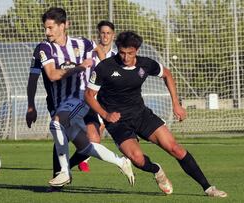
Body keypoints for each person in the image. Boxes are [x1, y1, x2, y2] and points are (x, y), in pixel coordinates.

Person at [84, 30, 227, 197]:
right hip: (117, 122)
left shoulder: (145, 64)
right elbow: (88, 95)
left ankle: (208, 188)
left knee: (175, 149)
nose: (125, 57)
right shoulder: (105, 67)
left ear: (136, 50)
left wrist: (176, 104)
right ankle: (157, 170)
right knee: (137, 159)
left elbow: (167, 74)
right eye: (122, 52)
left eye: (130, 53)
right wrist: (106, 115)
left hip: (141, 114)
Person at [30, 7, 134, 189]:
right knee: (85, 146)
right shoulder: (44, 48)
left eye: (51, 28)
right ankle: (121, 162)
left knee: (56, 123)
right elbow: (52, 75)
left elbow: (99, 50)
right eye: (45, 28)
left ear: (64, 26)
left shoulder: (81, 43)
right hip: (58, 102)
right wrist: (31, 106)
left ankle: (64, 173)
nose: (47, 32)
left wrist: (104, 71)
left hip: (79, 96)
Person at [78, 20, 117, 172]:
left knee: (99, 129)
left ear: (113, 35)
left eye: (108, 33)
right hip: (86, 94)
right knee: (91, 129)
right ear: (98, 34)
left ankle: (83, 158)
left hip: (105, 97)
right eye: (103, 33)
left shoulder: (116, 55)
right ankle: (81, 158)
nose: (105, 36)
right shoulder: (89, 52)